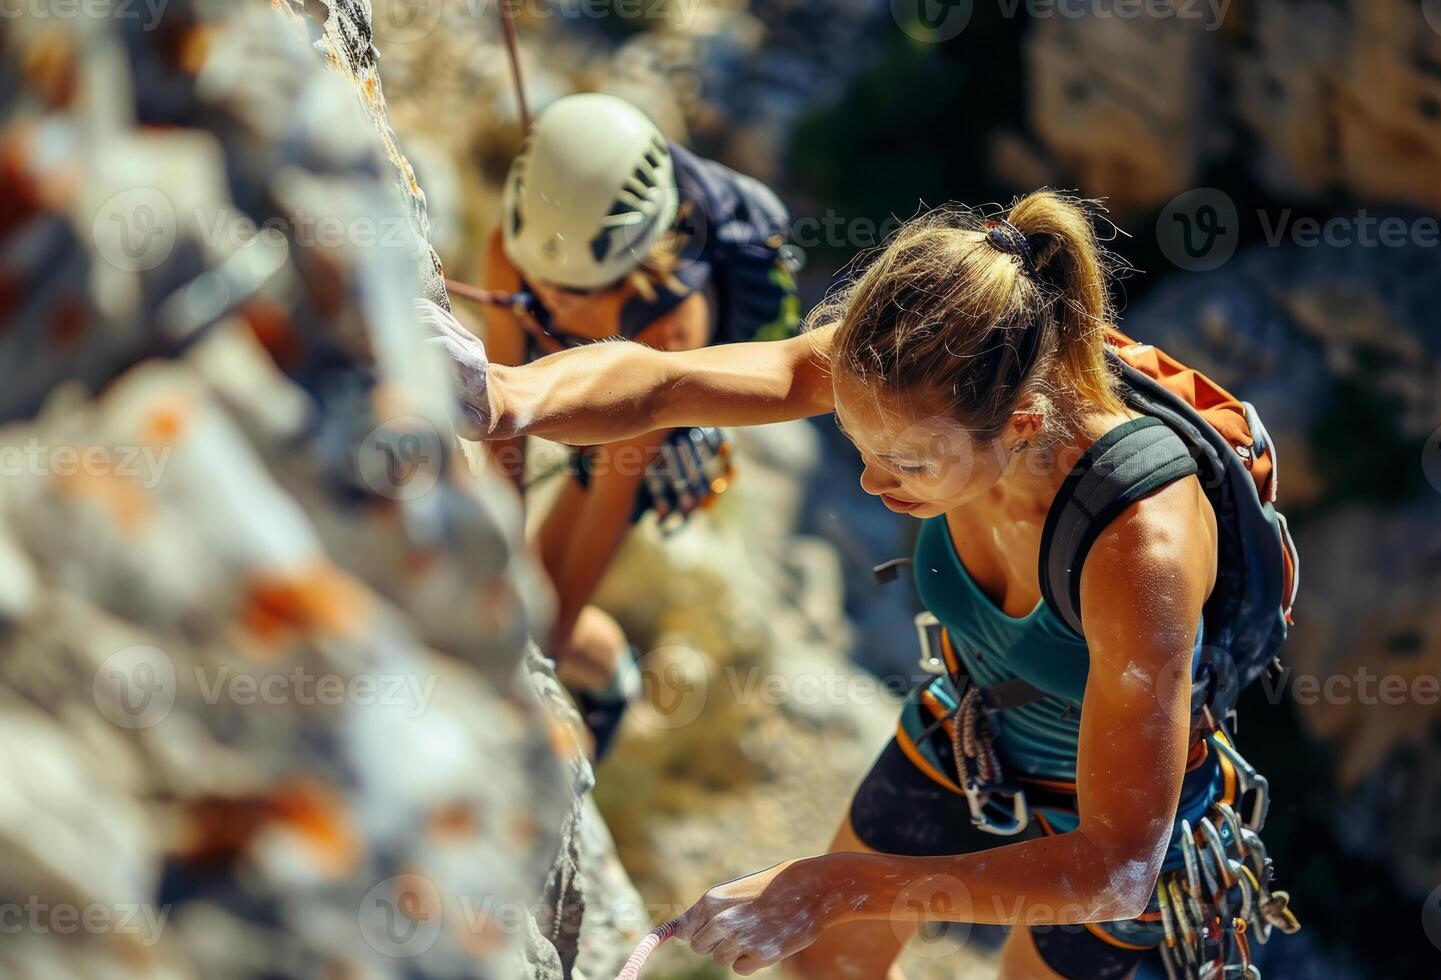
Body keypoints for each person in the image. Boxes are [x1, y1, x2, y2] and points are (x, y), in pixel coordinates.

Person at [463, 190, 1298, 978]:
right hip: (973, 730)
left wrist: (833, 884)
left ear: (1023, 425)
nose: (870, 483)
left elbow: (1117, 867)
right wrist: (503, 395)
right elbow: (665, 384)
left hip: (1120, 826)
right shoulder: (913, 380)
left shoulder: (1138, 543)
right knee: (825, 962)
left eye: (905, 463)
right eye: (859, 443)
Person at [475, 92, 801, 757]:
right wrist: (494, 562)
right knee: (509, 594)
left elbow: (610, 492)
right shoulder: (512, 251)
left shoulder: (672, 324)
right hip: (584, 394)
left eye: (577, 292)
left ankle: (608, 679)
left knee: (546, 621)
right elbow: (502, 423)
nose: (553, 297)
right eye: (542, 281)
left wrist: (546, 638)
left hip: (648, 435)